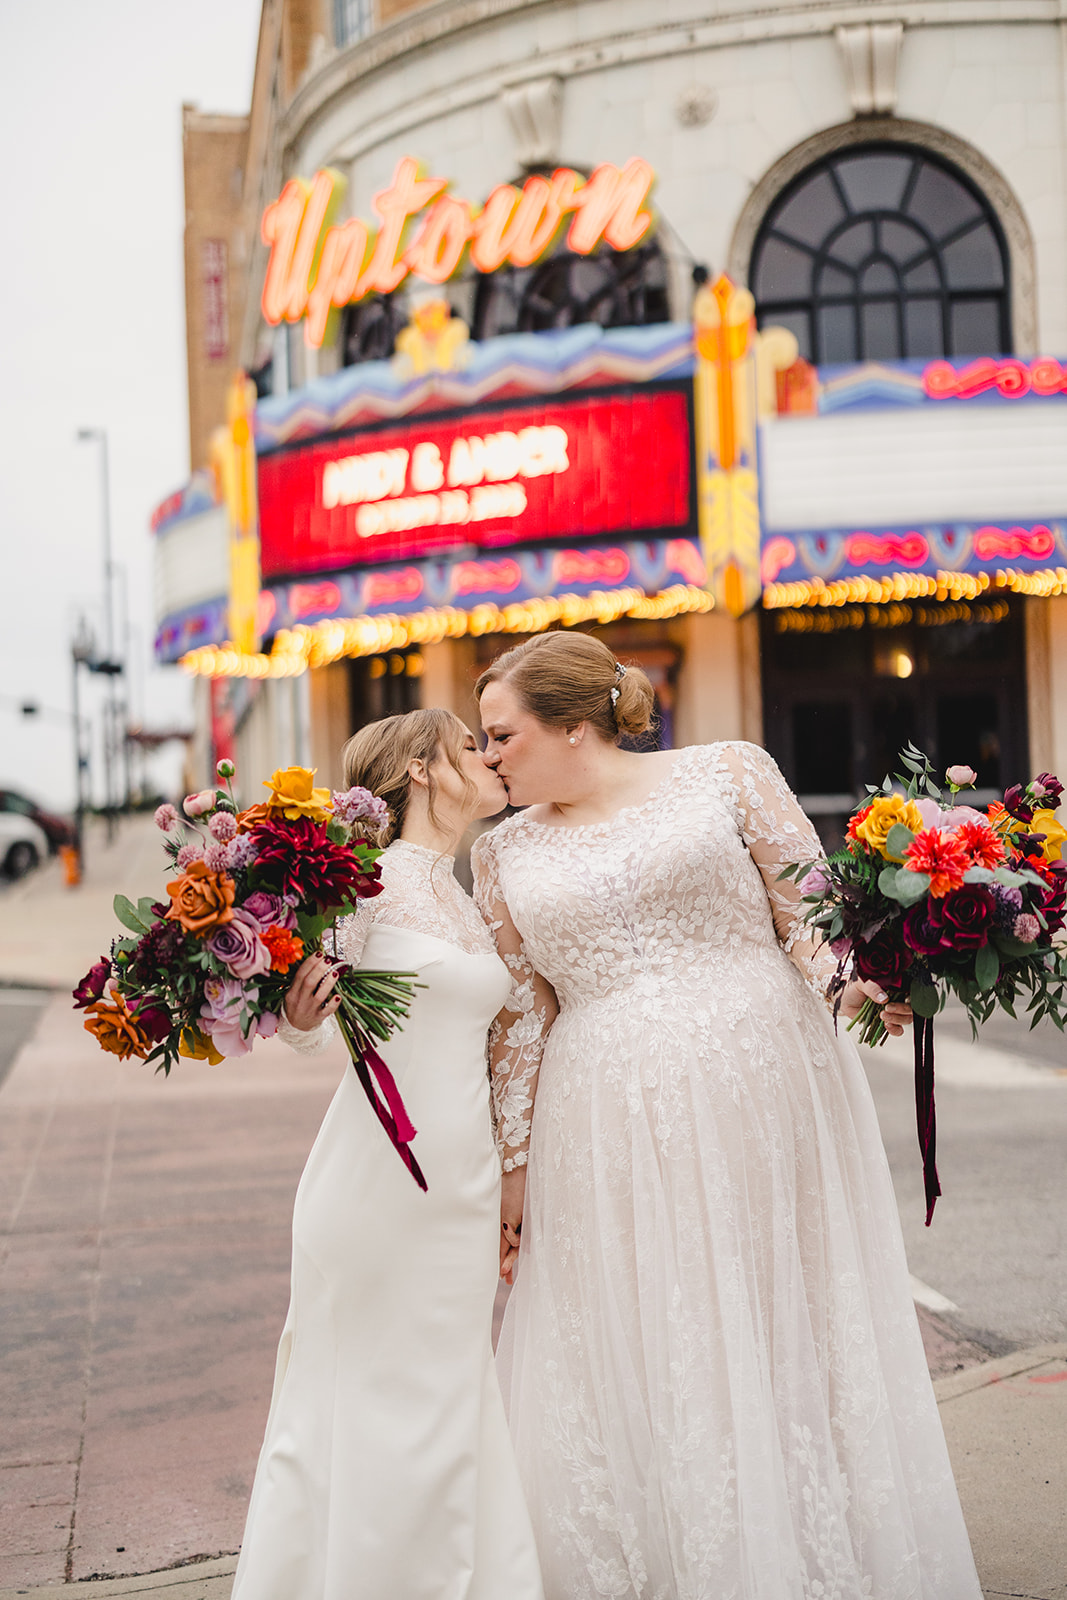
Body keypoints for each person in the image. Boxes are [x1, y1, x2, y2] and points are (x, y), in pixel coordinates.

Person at [471, 631, 982, 1600]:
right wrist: (513, 1165)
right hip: (599, 1114)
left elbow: (808, 922)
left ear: (573, 723)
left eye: (501, 735)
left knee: (770, 1300)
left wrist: (865, 991)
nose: (487, 756)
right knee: (648, 1321)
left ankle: (800, 1539)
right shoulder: (500, 855)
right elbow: (523, 1019)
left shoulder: (727, 773)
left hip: (761, 1083)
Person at [231, 709, 544, 1600]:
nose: (489, 760)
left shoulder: (467, 893)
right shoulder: (359, 886)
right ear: (421, 769)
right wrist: (295, 1021)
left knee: (447, 1390)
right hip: (378, 1180)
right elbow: (298, 1013)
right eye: (470, 748)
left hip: (463, 1182)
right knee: (369, 1394)